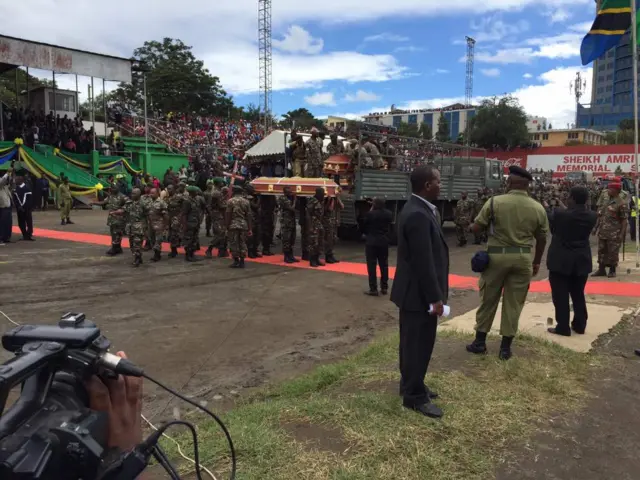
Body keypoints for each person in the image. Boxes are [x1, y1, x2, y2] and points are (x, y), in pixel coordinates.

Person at [466, 166, 549, 360]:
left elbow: (478, 227)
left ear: (509, 183)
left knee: (489, 298)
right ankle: (505, 348)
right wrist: (536, 262)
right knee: (514, 302)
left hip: (496, 258)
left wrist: (471, 226)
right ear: (527, 186)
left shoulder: (494, 202)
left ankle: (479, 342)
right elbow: (542, 238)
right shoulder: (538, 207)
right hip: (523, 259)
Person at [390, 165, 449, 419]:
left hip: (414, 293)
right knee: (418, 345)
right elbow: (424, 263)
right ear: (427, 185)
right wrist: (435, 298)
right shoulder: (418, 214)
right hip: (418, 295)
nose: (441, 184)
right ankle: (414, 397)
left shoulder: (419, 209)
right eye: (438, 181)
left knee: (413, 343)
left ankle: (412, 384)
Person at [545, 186, 597, 336]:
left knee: (560, 295)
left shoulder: (560, 214)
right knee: (578, 293)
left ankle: (563, 326)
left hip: (561, 260)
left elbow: (555, 225)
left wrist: (548, 208)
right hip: (581, 260)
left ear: (572, 199)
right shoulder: (592, 215)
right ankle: (580, 324)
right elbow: (572, 215)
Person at [592, 182, 629, 278]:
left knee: (613, 252)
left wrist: (621, 234)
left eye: (610, 189)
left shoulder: (621, 203)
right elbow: (600, 216)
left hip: (614, 233)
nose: (608, 191)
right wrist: (595, 228)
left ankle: (612, 270)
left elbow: (624, 220)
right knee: (601, 251)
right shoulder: (607, 202)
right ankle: (601, 270)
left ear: (616, 191)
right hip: (603, 231)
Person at [363, 197, 392, 296]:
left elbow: (364, 225)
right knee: (384, 265)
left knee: (371, 266)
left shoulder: (370, 214)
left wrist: (371, 208)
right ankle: (384, 287)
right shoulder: (389, 214)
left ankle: (373, 288)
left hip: (371, 242)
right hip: (383, 241)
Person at [226, 185, 252, 268]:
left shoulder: (230, 201)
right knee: (242, 242)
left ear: (233, 192)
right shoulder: (246, 201)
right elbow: (249, 216)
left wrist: (227, 226)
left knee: (234, 242)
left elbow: (228, 214)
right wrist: (250, 228)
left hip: (233, 224)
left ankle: (236, 261)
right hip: (243, 224)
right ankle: (242, 261)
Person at [13, 172, 34, 241]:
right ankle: (24, 234)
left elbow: (30, 199)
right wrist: (18, 206)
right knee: (21, 222)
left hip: (27, 209)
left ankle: (29, 234)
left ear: (21, 180)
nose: (15, 181)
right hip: (19, 209)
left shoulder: (27, 188)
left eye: (16, 179)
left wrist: (25, 207)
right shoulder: (16, 189)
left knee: (29, 222)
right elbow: (15, 199)